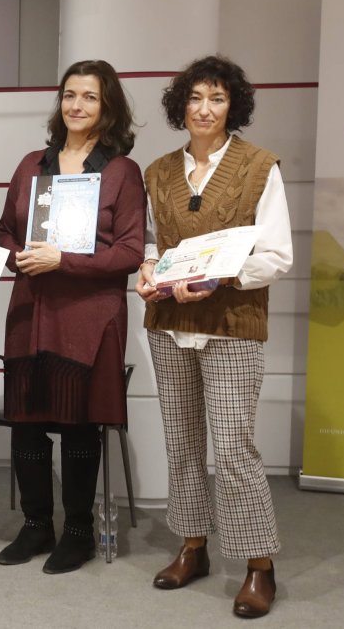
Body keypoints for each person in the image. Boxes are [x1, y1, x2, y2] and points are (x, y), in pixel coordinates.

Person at [137, 55, 292, 619]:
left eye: (217, 99)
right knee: (181, 446)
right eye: (195, 98)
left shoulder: (259, 166)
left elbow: (276, 255)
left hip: (232, 325)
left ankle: (257, 565)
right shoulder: (156, 171)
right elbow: (153, 243)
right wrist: (150, 271)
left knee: (232, 452)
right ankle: (193, 547)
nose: (205, 109)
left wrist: (222, 275)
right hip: (170, 324)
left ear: (234, 106)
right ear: (181, 104)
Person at [0, 60, 145, 574]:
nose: (76, 105)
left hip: (89, 317)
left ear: (108, 108)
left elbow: (129, 254)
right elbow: (4, 232)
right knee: (27, 425)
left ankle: (78, 531)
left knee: (79, 427)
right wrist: (18, 255)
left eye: (90, 97)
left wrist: (64, 260)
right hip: (30, 309)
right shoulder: (31, 165)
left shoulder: (122, 171)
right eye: (69, 95)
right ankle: (37, 525)